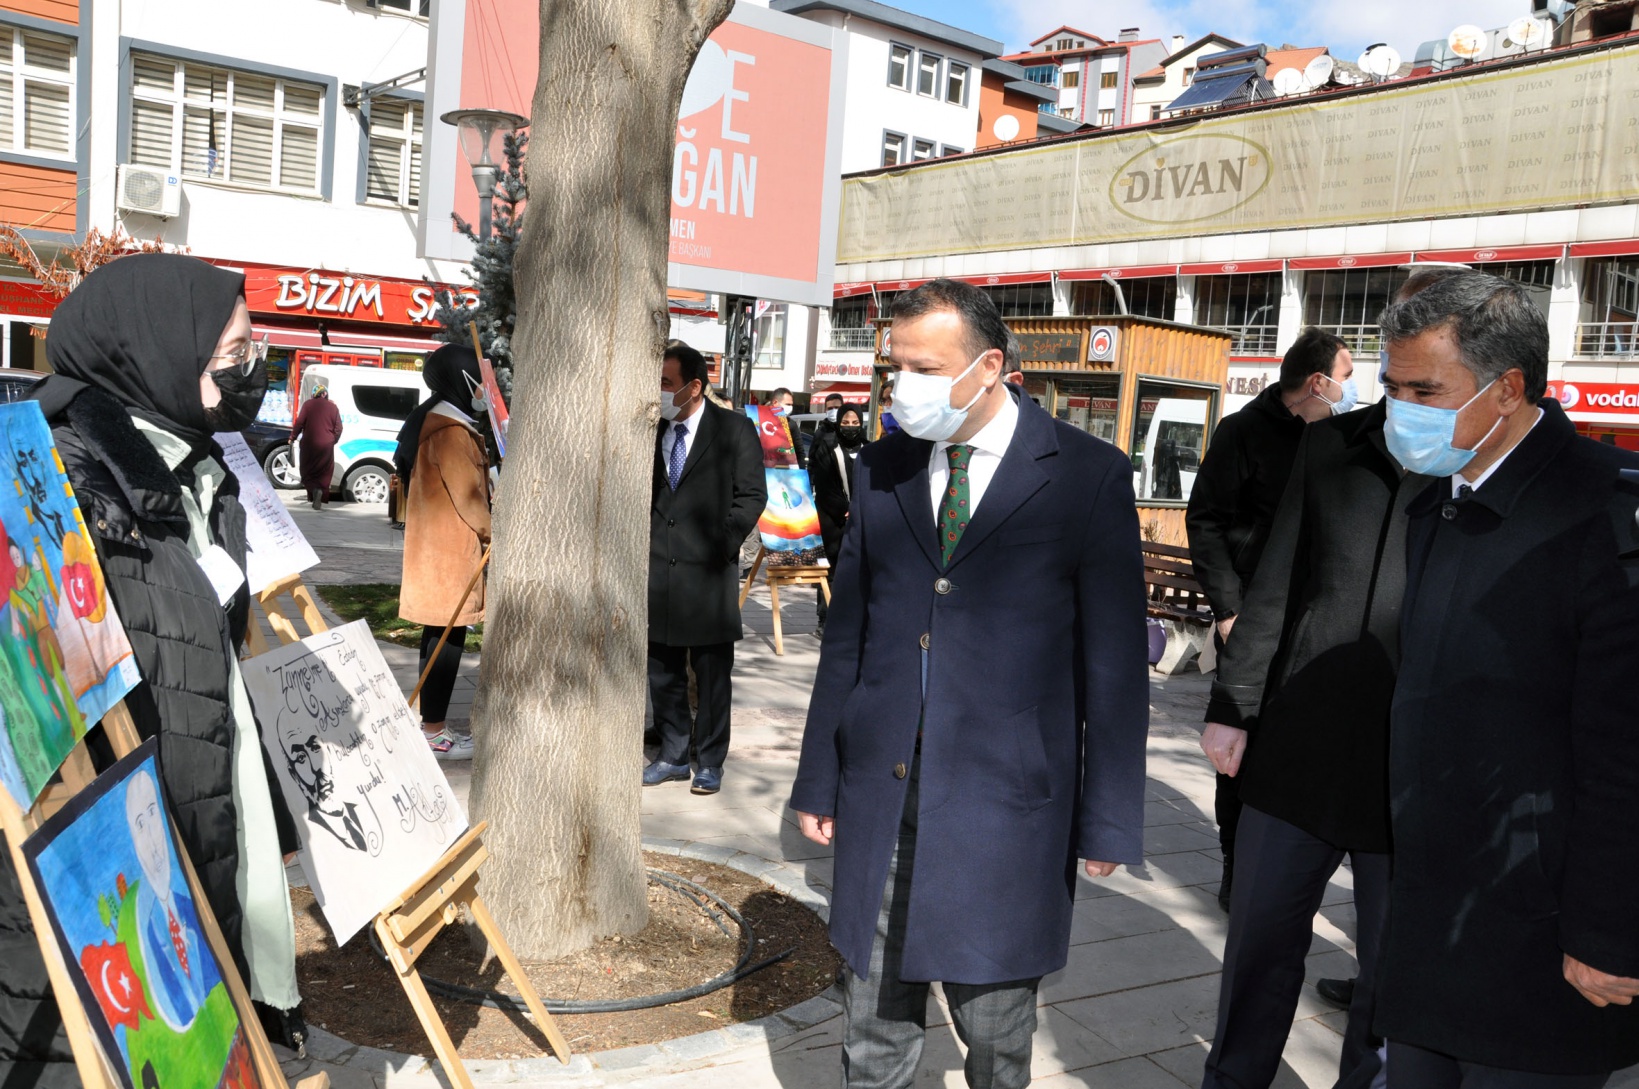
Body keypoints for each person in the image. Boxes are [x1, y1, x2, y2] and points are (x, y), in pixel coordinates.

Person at [791, 279, 1149, 1089]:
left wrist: (1109, 820)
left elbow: (1116, 663)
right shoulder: (883, 466)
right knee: (873, 1026)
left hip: (1005, 806)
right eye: (896, 367)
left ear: (989, 366)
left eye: (925, 367)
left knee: (994, 1034)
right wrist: (819, 778)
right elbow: (847, 635)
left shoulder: (1084, 475)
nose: (901, 386)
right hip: (884, 790)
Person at [3, 254, 305, 1075]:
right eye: (233, 355)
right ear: (157, 350)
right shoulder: (59, 488)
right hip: (107, 879)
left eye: (253, 351)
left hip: (196, 843)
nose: (252, 373)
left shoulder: (204, 473)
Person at [1375, 270, 1639, 1086]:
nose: (1400, 409)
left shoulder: (1603, 514)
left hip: (1544, 936)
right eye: (1391, 385)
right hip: (1431, 925)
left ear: (1506, 389)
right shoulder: (1436, 504)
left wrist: (1608, 930)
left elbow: (1624, 751)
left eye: (1424, 388)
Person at [1196, 373, 1429, 1089]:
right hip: (1297, 751)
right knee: (1258, 942)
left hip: (1414, 770)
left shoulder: (1480, 461)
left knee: (1390, 968)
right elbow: (1276, 582)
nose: (1405, 389)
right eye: (1394, 373)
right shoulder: (1328, 446)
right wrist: (1231, 704)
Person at [1184, 326, 1354, 911]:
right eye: (1346, 380)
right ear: (1317, 382)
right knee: (1238, 747)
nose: (1350, 393)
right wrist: (1228, 609)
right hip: (1250, 618)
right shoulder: (1243, 432)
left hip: (1317, 618)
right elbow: (1205, 521)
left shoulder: (1338, 437)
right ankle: (1238, 867)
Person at [647, 343, 766, 795]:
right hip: (659, 572)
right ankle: (674, 754)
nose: (659, 393)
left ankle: (710, 760)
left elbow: (753, 495)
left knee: (713, 676)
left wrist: (722, 542)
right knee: (664, 671)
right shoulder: (652, 430)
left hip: (709, 574)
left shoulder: (733, 429)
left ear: (694, 387)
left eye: (666, 384)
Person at [394, 344, 490, 762]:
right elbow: (470, 500)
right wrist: (496, 532)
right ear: (460, 380)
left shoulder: (440, 423)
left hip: (439, 553)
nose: (485, 389)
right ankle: (433, 731)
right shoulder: (451, 433)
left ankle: (432, 726)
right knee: (445, 641)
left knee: (440, 637)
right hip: (449, 556)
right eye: (479, 380)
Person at [809, 405, 866, 638]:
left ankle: (853, 617)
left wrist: (862, 509)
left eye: (855, 423)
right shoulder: (828, 447)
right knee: (830, 569)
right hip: (834, 520)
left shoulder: (869, 449)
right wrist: (845, 509)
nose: (850, 427)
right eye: (846, 422)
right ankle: (825, 617)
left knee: (860, 569)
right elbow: (824, 484)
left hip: (863, 520)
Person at [289, 381, 343, 510]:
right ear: (325, 394)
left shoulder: (308, 404)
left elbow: (300, 423)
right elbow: (339, 428)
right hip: (327, 445)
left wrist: (292, 437)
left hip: (309, 443)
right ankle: (320, 491)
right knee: (324, 470)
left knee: (307, 469)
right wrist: (332, 440)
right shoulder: (333, 407)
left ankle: (313, 490)